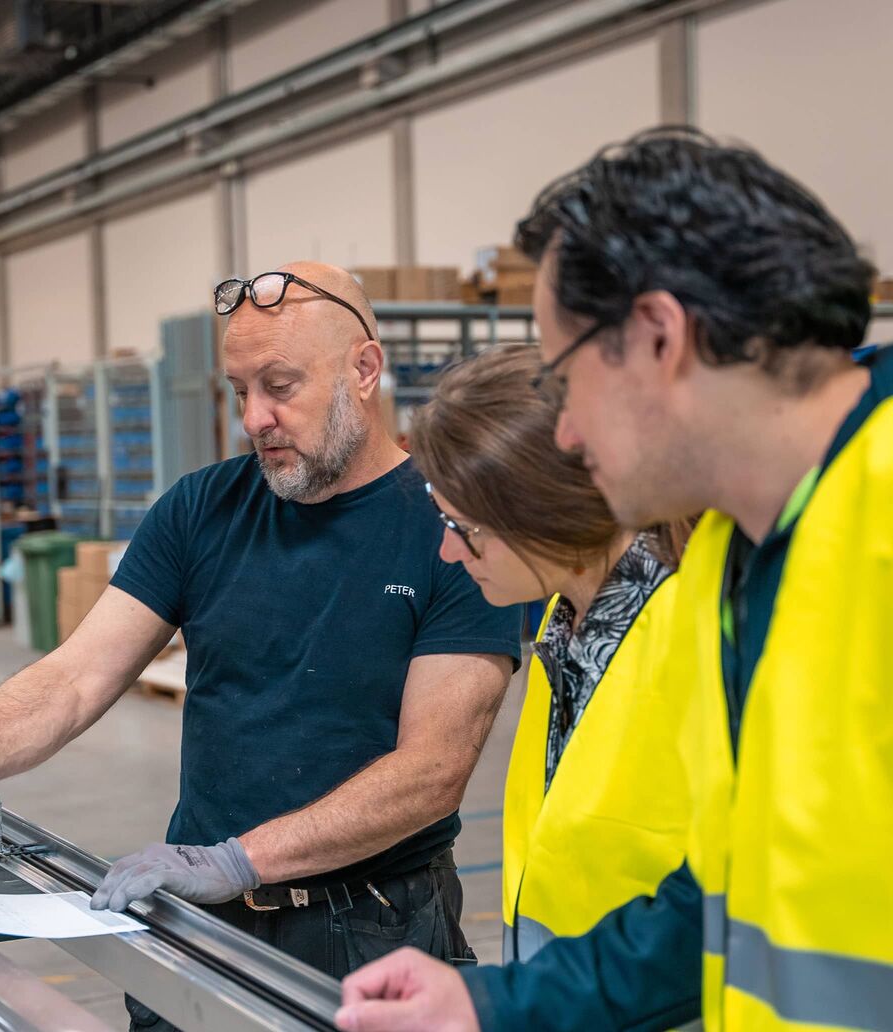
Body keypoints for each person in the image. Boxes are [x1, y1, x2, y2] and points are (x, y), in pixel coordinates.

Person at [0, 261, 522, 1031]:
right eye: (238, 390)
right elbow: (78, 676)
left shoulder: (452, 529)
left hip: (372, 928)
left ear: (365, 369)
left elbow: (430, 773)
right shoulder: (202, 509)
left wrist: (238, 860)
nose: (254, 417)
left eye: (279, 385)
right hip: (196, 920)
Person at [337, 127, 892, 1032]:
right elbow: (715, 903)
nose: (561, 433)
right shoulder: (727, 560)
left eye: (567, 372)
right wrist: (490, 1004)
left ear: (660, 338)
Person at [336, 344, 699, 1032]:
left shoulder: (692, 635)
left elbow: (712, 907)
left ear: (542, 511)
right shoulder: (567, 631)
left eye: (463, 530)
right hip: (567, 1004)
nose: (447, 553)